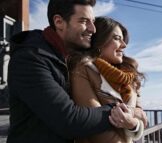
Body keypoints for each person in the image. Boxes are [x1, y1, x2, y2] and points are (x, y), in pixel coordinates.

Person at [7, 0, 117, 142]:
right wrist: (119, 110)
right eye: (84, 21)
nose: (92, 29)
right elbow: (70, 121)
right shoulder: (30, 59)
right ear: (59, 22)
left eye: (93, 21)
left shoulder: (68, 56)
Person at [68, 16, 147, 143]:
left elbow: (143, 118)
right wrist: (132, 116)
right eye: (117, 38)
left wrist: (132, 123)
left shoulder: (128, 76)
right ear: (99, 41)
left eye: (123, 40)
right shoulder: (83, 69)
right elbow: (96, 126)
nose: (124, 45)